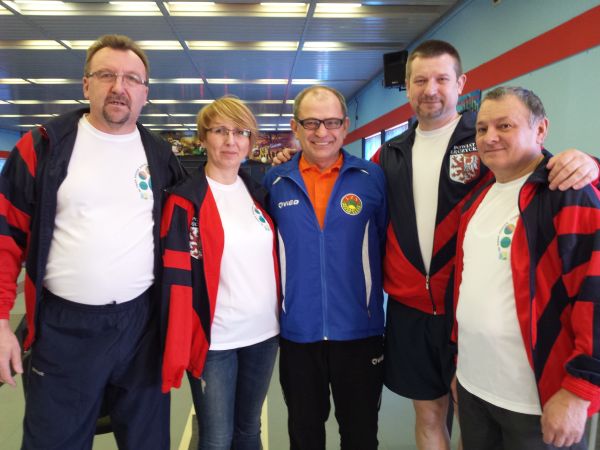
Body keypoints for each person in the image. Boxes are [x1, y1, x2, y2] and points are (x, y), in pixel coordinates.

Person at [374, 40, 599, 450]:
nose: (430, 89)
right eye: (420, 80)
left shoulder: (495, 148)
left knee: (473, 420)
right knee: (436, 416)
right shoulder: (390, 154)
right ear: (407, 87)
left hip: (491, 335)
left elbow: (548, 174)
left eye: (441, 79)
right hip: (422, 316)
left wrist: (590, 164)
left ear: (461, 84)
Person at [0, 34, 184, 449]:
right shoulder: (43, 147)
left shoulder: (159, 155)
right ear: (86, 85)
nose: (119, 87)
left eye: (132, 79)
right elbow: (5, 236)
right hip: (65, 329)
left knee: (148, 441)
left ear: (145, 93)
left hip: (142, 328)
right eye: (106, 75)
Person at [452, 86, 600, 449]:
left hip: (538, 402)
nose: (489, 137)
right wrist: (460, 366)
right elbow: (469, 288)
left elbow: (595, 295)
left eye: (504, 125)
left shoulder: (567, 193)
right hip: (474, 388)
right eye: (482, 128)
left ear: (541, 129)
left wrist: (580, 390)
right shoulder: (476, 199)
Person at [263, 85, 387, 450]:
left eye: (331, 122)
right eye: (311, 122)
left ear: (345, 126)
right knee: (304, 437)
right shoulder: (275, 182)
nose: (322, 132)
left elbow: (384, 241)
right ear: (295, 127)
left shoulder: (372, 178)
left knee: (361, 438)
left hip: (360, 333)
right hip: (299, 335)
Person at [160, 96, 280, 450]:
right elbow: (175, 281)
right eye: (220, 131)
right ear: (203, 137)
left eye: (241, 132)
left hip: (263, 334)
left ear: (250, 141)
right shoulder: (184, 200)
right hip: (215, 341)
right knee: (215, 438)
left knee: (249, 430)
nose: (231, 141)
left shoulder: (259, 194)